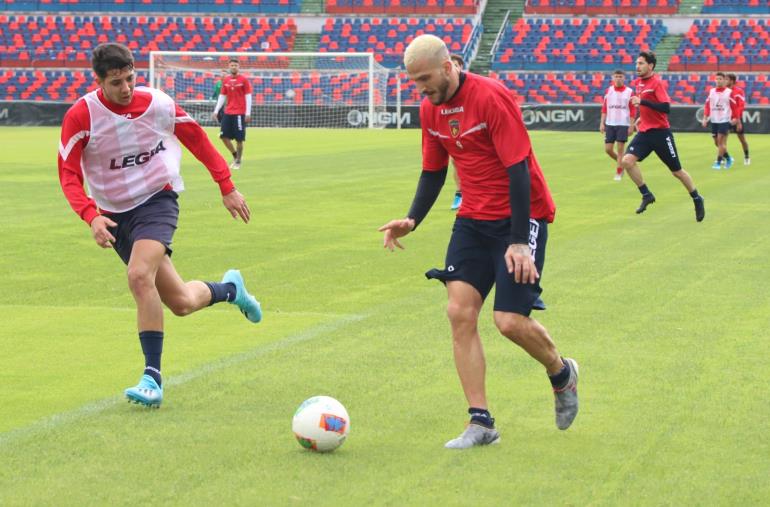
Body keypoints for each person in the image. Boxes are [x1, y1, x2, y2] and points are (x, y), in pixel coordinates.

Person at [379, 34, 579, 450]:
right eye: (414, 81)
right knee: (459, 312)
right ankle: (481, 422)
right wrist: (412, 219)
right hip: (472, 219)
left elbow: (518, 167)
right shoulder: (429, 110)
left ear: (449, 66)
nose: (421, 88)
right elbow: (434, 171)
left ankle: (561, 372)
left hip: (521, 217)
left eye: (426, 78)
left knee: (508, 322)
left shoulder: (491, 97)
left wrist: (520, 241)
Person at [58, 43, 263, 408]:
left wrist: (227, 186)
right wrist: (91, 216)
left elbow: (198, 139)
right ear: (99, 81)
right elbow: (68, 174)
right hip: (114, 215)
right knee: (181, 302)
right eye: (116, 82)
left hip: (156, 200)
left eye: (130, 78)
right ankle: (231, 290)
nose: (126, 88)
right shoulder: (81, 116)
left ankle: (152, 377)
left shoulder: (157, 104)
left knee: (139, 276)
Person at [622, 51, 705, 222]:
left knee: (677, 172)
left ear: (650, 66)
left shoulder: (657, 83)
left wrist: (642, 102)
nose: (637, 66)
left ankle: (697, 198)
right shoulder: (639, 83)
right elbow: (645, 106)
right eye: (636, 63)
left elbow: (666, 107)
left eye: (641, 63)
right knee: (627, 161)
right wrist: (640, 118)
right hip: (645, 132)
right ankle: (646, 194)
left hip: (661, 134)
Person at [212, 58, 252, 170]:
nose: (233, 67)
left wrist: (248, 113)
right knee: (223, 136)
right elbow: (222, 96)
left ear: (239, 67)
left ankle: (238, 161)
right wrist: (216, 111)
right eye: (232, 65)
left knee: (239, 139)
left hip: (240, 113)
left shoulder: (244, 80)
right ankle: (235, 155)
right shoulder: (226, 80)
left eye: (235, 65)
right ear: (229, 66)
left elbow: (248, 96)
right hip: (228, 112)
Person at [600, 70, 636, 181]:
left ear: (624, 78)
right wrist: (602, 123)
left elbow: (632, 110)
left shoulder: (629, 92)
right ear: (612, 78)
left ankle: (619, 171)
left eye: (620, 76)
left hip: (623, 124)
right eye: (616, 76)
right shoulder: (608, 91)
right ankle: (622, 163)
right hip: (610, 123)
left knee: (620, 150)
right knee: (608, 149)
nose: (618, 78)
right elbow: (605, 108)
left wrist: (631, 125)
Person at [701, 71, 738, 170]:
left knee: (721, 142)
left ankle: (718, 162)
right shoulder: (712, 91)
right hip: (714, 120)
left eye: (720, 79)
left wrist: (736, 118)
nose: (718, 81)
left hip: (724, 120)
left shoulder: (729, 92)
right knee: (716, 143)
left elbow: (734, 106)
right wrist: (705, 118)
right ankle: (728, 158)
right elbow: (707, 105)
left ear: (724, 80)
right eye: (717, 79)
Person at [448, 53, 464, 210]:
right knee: (455, 161)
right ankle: (459, 194)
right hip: (455, 125)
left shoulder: (472, 86)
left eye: (456, 65)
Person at [726, 73, 750, 165]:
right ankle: (726, 158)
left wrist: (738, 120)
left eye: (726, 79)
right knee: (721, 141)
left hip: (736, 119)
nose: (725, 81)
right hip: (726, 119)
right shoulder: (725, 91)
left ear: (732, 81)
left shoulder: (739, 91)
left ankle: (747, 156)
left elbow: (740, 106)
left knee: (742, 139)